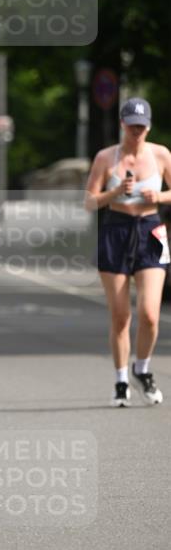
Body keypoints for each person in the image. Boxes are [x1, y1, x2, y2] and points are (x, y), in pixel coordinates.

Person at [85, 97, 170, 407]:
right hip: (116, 230)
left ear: (149, 127)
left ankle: (142, 370)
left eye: (141, 127)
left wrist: (159, 196)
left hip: (150, 230)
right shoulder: (106, 157)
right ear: (122, 124)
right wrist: (116, 191)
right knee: (121, 315)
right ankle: (121, 380)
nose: (137, 132)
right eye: (132, 126)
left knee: (150, 314)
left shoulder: (161, 154)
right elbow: (89, 201)